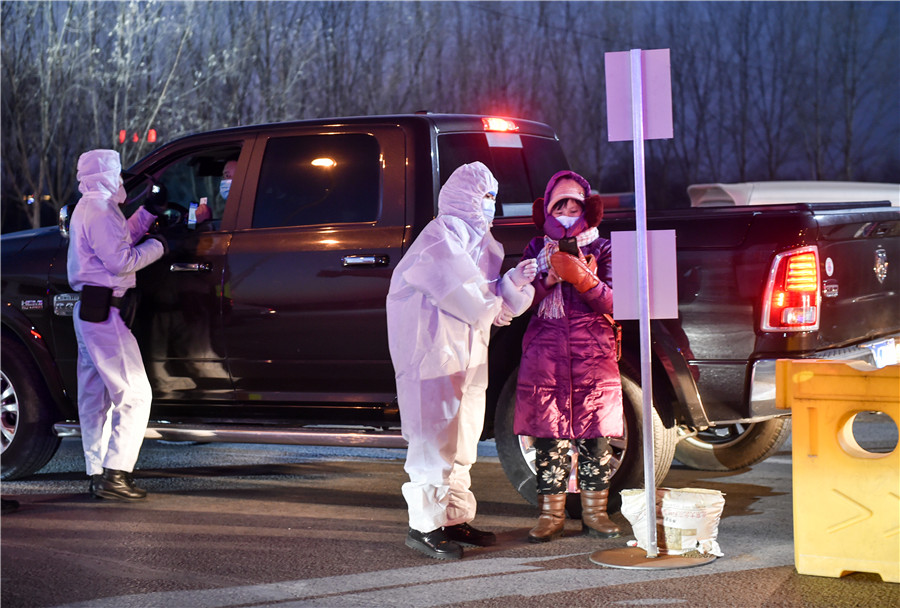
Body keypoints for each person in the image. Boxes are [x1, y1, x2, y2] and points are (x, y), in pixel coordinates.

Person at [386, 162, 537, 560]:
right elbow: (464, 294)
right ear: (464, 197)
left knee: (462, 437)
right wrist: (500, 301)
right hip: (431, 357)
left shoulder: (478, 243)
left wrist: (512, 285)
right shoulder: (438, 239)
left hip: (466, 355)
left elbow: (484, 292)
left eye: (493, 197)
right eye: (484, 197)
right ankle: (424, 526)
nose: (490, 205)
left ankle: (452, 518)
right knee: (433, 438)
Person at [514, 170, 624, 542]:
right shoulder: (534, 249)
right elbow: (522, 303)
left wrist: (583, 279)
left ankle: (596, 514)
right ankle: (551, 515)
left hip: (593, 351)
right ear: (547, 210)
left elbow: (617, 301)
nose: (566, 212)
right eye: (559, 205)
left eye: (573, 205)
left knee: (596, 436)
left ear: (586, 209)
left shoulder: (604, 249)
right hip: (546, 352)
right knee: (549, 436)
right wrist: (547, 281)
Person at [67, 149, 168, 501]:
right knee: (136, 394)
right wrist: (159, 246)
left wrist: (147, 215)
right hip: (106, 313)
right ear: (107, 173)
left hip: (90, 312)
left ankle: (97, 473)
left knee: (95, 399)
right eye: (118, 173)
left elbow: (116, 237)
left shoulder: (91, 206)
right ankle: (117, 474)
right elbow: (121, 260)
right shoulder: (98, 209)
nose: (123, 180)